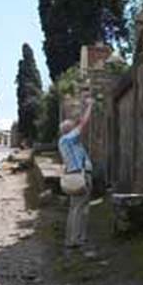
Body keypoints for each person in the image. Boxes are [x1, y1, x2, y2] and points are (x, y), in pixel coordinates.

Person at [58, 97, 94, 251]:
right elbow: (83, 124)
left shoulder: (66, 141)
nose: (75, 130)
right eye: (72, 128)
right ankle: (74, 240)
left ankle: (76, 237)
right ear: (68, 130)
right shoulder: (68, 139)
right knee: (79, 208)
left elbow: (79, 124)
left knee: (77, 208)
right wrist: (90, 106)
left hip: (74, 175)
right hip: (79, 175)